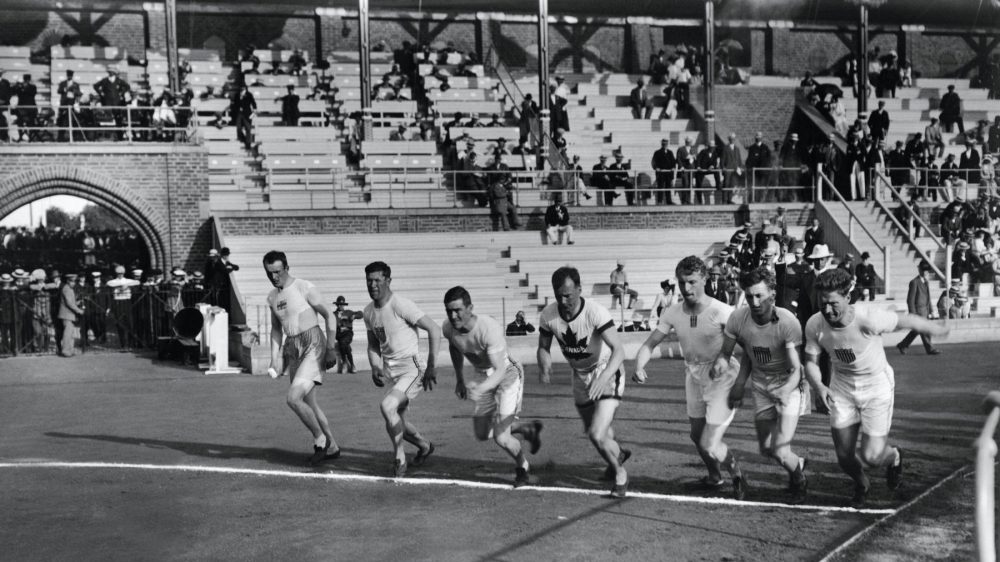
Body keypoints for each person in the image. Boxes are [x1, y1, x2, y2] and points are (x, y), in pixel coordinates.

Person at [804, 268, 949, 508]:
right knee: (844, 457)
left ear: (847, 298)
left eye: (833, 304)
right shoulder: (815, 324)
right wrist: (818, 385)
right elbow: (811, 361)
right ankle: (862, 484)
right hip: (841, 389)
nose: (827, 310)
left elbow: (907, 319)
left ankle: (894, 456)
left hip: (876, 387)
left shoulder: (869, 318)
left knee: (872, 456)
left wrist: (937, 329)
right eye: (822, 304)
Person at [633, 256, 747, 500]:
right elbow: (650, 343)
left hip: (722, 377)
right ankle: (715, 477)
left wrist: (738, 379)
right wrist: (639, 366)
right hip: (693, 374)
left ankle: (737, 473)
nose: (686, 288)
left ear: (704, 279)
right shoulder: (673, 312)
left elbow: (747, 344)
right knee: (696, 436)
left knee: (708, 441)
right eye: (682, 282)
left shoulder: (723, 311)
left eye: (692, 282)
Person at [717, 267, 809, 504]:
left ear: (772, 295)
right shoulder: (738, 318)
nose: (754, 301)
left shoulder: (788, 322)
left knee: (779, 448)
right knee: (767, 448)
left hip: (789, 384)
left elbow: (797, 368)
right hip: (760, 385)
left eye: (759, 295)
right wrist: (736, 382)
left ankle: (799, 480)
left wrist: (786, 390)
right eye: (749, 296)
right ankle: (796, 462)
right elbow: (738, 353)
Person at [537, 266, 630, 498]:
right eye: (558, 295)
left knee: (597, 434)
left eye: (568, 295)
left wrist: (604, 378)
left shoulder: (595, 312)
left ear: (579, 289)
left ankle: (621, 474)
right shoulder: (548, 315)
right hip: (578, 375)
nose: (563, 300)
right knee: (596, 430)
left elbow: (619, 350)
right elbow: (543, 347)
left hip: (607, 370)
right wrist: (544, 363)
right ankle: (617, 454)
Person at [443, 286, 543, 487]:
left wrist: (480, 389)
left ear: (470, 308)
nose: (453, 316)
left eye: (458, 310)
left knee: (501, 437)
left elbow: (498, 370)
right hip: (482, 376)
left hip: (507, 374)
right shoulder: (448, 328)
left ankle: (522, 466)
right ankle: (526, 429)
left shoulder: (489, 329)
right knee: (482, 434)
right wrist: (460, 379)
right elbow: (455, 347)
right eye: (449, 311)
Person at [363, 261, 440, 477]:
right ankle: (424, 446)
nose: (373, 285)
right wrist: (375, 366)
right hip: (391, 372)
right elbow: (372, 345)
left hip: (413, 369)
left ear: (388, 280)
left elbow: (434, 329)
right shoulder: (368, 312)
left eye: (377, 280)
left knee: (387, 407)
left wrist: (432, 364)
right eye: (369, 280)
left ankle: (399, 458)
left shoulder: (401, 305)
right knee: (397, 420)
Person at [264, 250, 340, 466]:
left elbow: (329, 315)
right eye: (270, 273)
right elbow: (276, 330)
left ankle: (321, 441)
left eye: (278, 272)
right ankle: (332, 446)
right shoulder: (272, 297)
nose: (274, 277)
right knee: (309, 404)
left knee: (293, 398)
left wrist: (331, 348)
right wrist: (274, 359)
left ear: (287, 268)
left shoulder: (303, 287)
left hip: (314, 343)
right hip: (292, 347)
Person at [896, 261, 941, 356]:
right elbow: (910, 300)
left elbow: (928, 298)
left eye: (927, 271)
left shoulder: (926, 282)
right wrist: (913, 314)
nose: (925, 272)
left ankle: (902, 345)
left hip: (925, 311)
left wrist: (931, 311)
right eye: (924, 270)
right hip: (918, 312)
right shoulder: (914, 282)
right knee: (924, 330)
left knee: (916, 331)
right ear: (919, 270)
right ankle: (930, 348)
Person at [57, 272, 85, 357]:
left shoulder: (69, 289)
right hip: (67, 314)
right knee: (67, 333)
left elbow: (70, 302)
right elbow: (69, 303)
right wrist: (79, 310)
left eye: (74, 281)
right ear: (68, 281)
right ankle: (65, 351)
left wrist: (77, 302)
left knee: (71, 333)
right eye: (72, 281)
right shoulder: (67, 289)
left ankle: (70, 350)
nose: (74, 283)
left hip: (69, 314)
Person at [332, 295, 362, 373]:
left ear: (343, 305)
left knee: (343, 343)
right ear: (336, 305)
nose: (340, 306)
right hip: (339, 334)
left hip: (348, 333)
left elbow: (361, 313)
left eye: (341, 304)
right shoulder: (333, 314)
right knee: (345, 345)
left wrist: (354, 316)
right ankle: (352, 364)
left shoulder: (348, 312)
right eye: (338, 304)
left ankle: (345, 363)